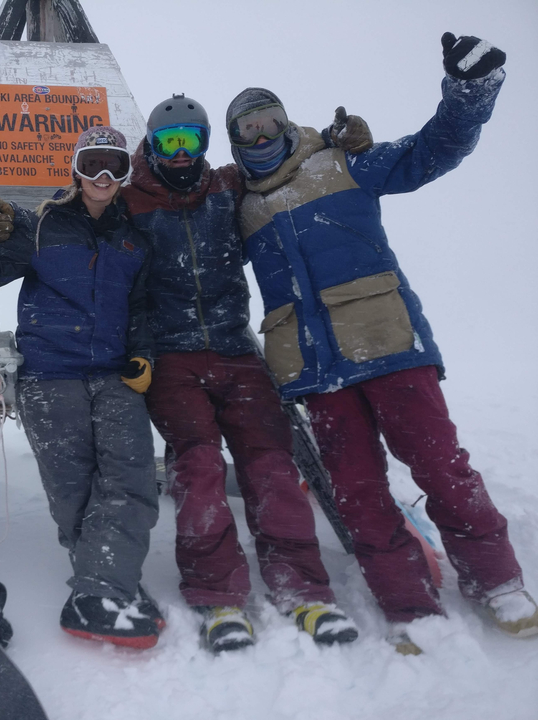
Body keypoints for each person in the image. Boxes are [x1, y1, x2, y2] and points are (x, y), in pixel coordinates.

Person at [226, 32, 538, 654]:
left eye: (269, 122)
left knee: (442, 468)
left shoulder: (344, 163)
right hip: (318, 372)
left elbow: (432, 151)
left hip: (390, 349)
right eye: (247, 129)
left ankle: (496, 580)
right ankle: (406, 600)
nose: (261, 137)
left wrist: (468, 92)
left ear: (287, 123)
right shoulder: (239, 207)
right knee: (357, 491)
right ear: (236, 141)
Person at [116, 95, 364, 653]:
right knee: (199, 465)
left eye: (191, 140)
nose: (180, 154)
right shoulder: (131, 200)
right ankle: (219, 597)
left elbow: (281, 162)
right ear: (151, 146)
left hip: (235, 350)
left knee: (271, 463)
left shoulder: (227, 187)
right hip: (174, 358)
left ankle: (302, 588)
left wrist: (330, 143)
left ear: (206, 144)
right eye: (168, 142)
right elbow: (95, 229)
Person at [0, 126, 163, 649]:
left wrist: (143, 353)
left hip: (113, 373)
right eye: (92, 165)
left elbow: (141, 306)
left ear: (125, 173)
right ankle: (105, 585)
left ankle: (100, 587)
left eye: (114, 165)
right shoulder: (44, 225)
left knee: (132, 479)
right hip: (50, 374)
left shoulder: (134, 235)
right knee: (73, 488)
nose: (103, 177)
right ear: (76, 170)